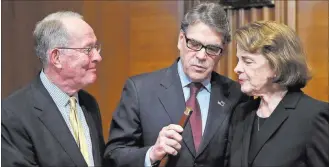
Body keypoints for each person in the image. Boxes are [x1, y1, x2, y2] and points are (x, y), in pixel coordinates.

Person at [104, 2, 249, 167]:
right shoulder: (139, 90)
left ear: (222, 51)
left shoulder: (236, 94)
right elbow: (114, 155)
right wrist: (151, 154)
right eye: (194, 44)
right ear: (181, 40)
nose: (201, 56)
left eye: (212, 49)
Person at [1, 11, 105, 166]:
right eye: (88, 49)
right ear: (56, 58)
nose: (97, 57)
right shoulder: (13, 114)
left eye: (96, 47)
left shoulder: (89, 103)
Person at [229, 20, 329, 167]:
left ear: (276, 65)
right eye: (238, 60)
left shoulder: (313, 116)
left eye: (247, 61)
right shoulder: (241, 112)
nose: (237, 68)